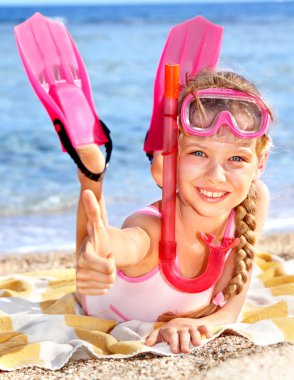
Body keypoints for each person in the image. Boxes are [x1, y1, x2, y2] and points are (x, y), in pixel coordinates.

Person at [75, 69, 273, 354]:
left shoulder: (254, 199)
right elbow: (125, 243)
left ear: (261, 162)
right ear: (175, 155)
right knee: (91, 242)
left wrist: (193, 325)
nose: (216, 176)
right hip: (100, 297)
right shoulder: (151, 227)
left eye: (237, 158)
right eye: (199, 153)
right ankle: (91, 177)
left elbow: (230, 312)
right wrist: (98, 251)